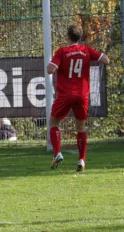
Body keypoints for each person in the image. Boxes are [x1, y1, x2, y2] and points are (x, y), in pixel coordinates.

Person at [47, 25, 110, 172]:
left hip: (65, 94)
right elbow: (105, 60)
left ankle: (57, 153)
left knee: (53, 121)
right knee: (80, 127)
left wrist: (57, 66)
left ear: (68, 36)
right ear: (80, 37)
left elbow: (50, 69)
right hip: (82, 94)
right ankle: (81, 160)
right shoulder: (86, 51)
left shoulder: (62, 51)